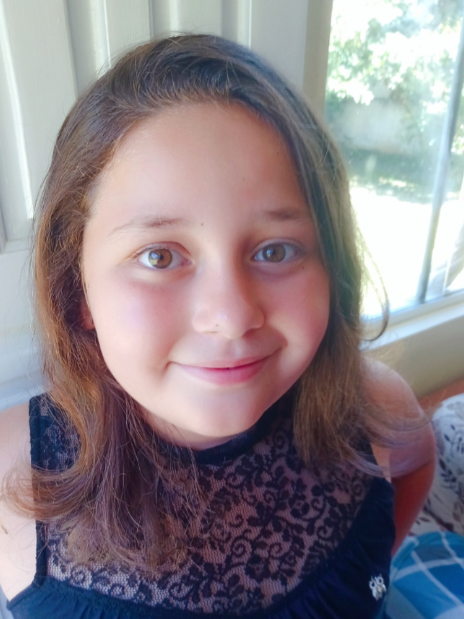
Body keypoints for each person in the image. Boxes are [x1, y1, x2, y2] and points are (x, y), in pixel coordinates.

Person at [0, 35, 435, 619]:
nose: (231, 317)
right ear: (78, 291)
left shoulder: (371, 405)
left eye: (276, 250)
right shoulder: (10, 471)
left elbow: (414, 465)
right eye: (159, 256)